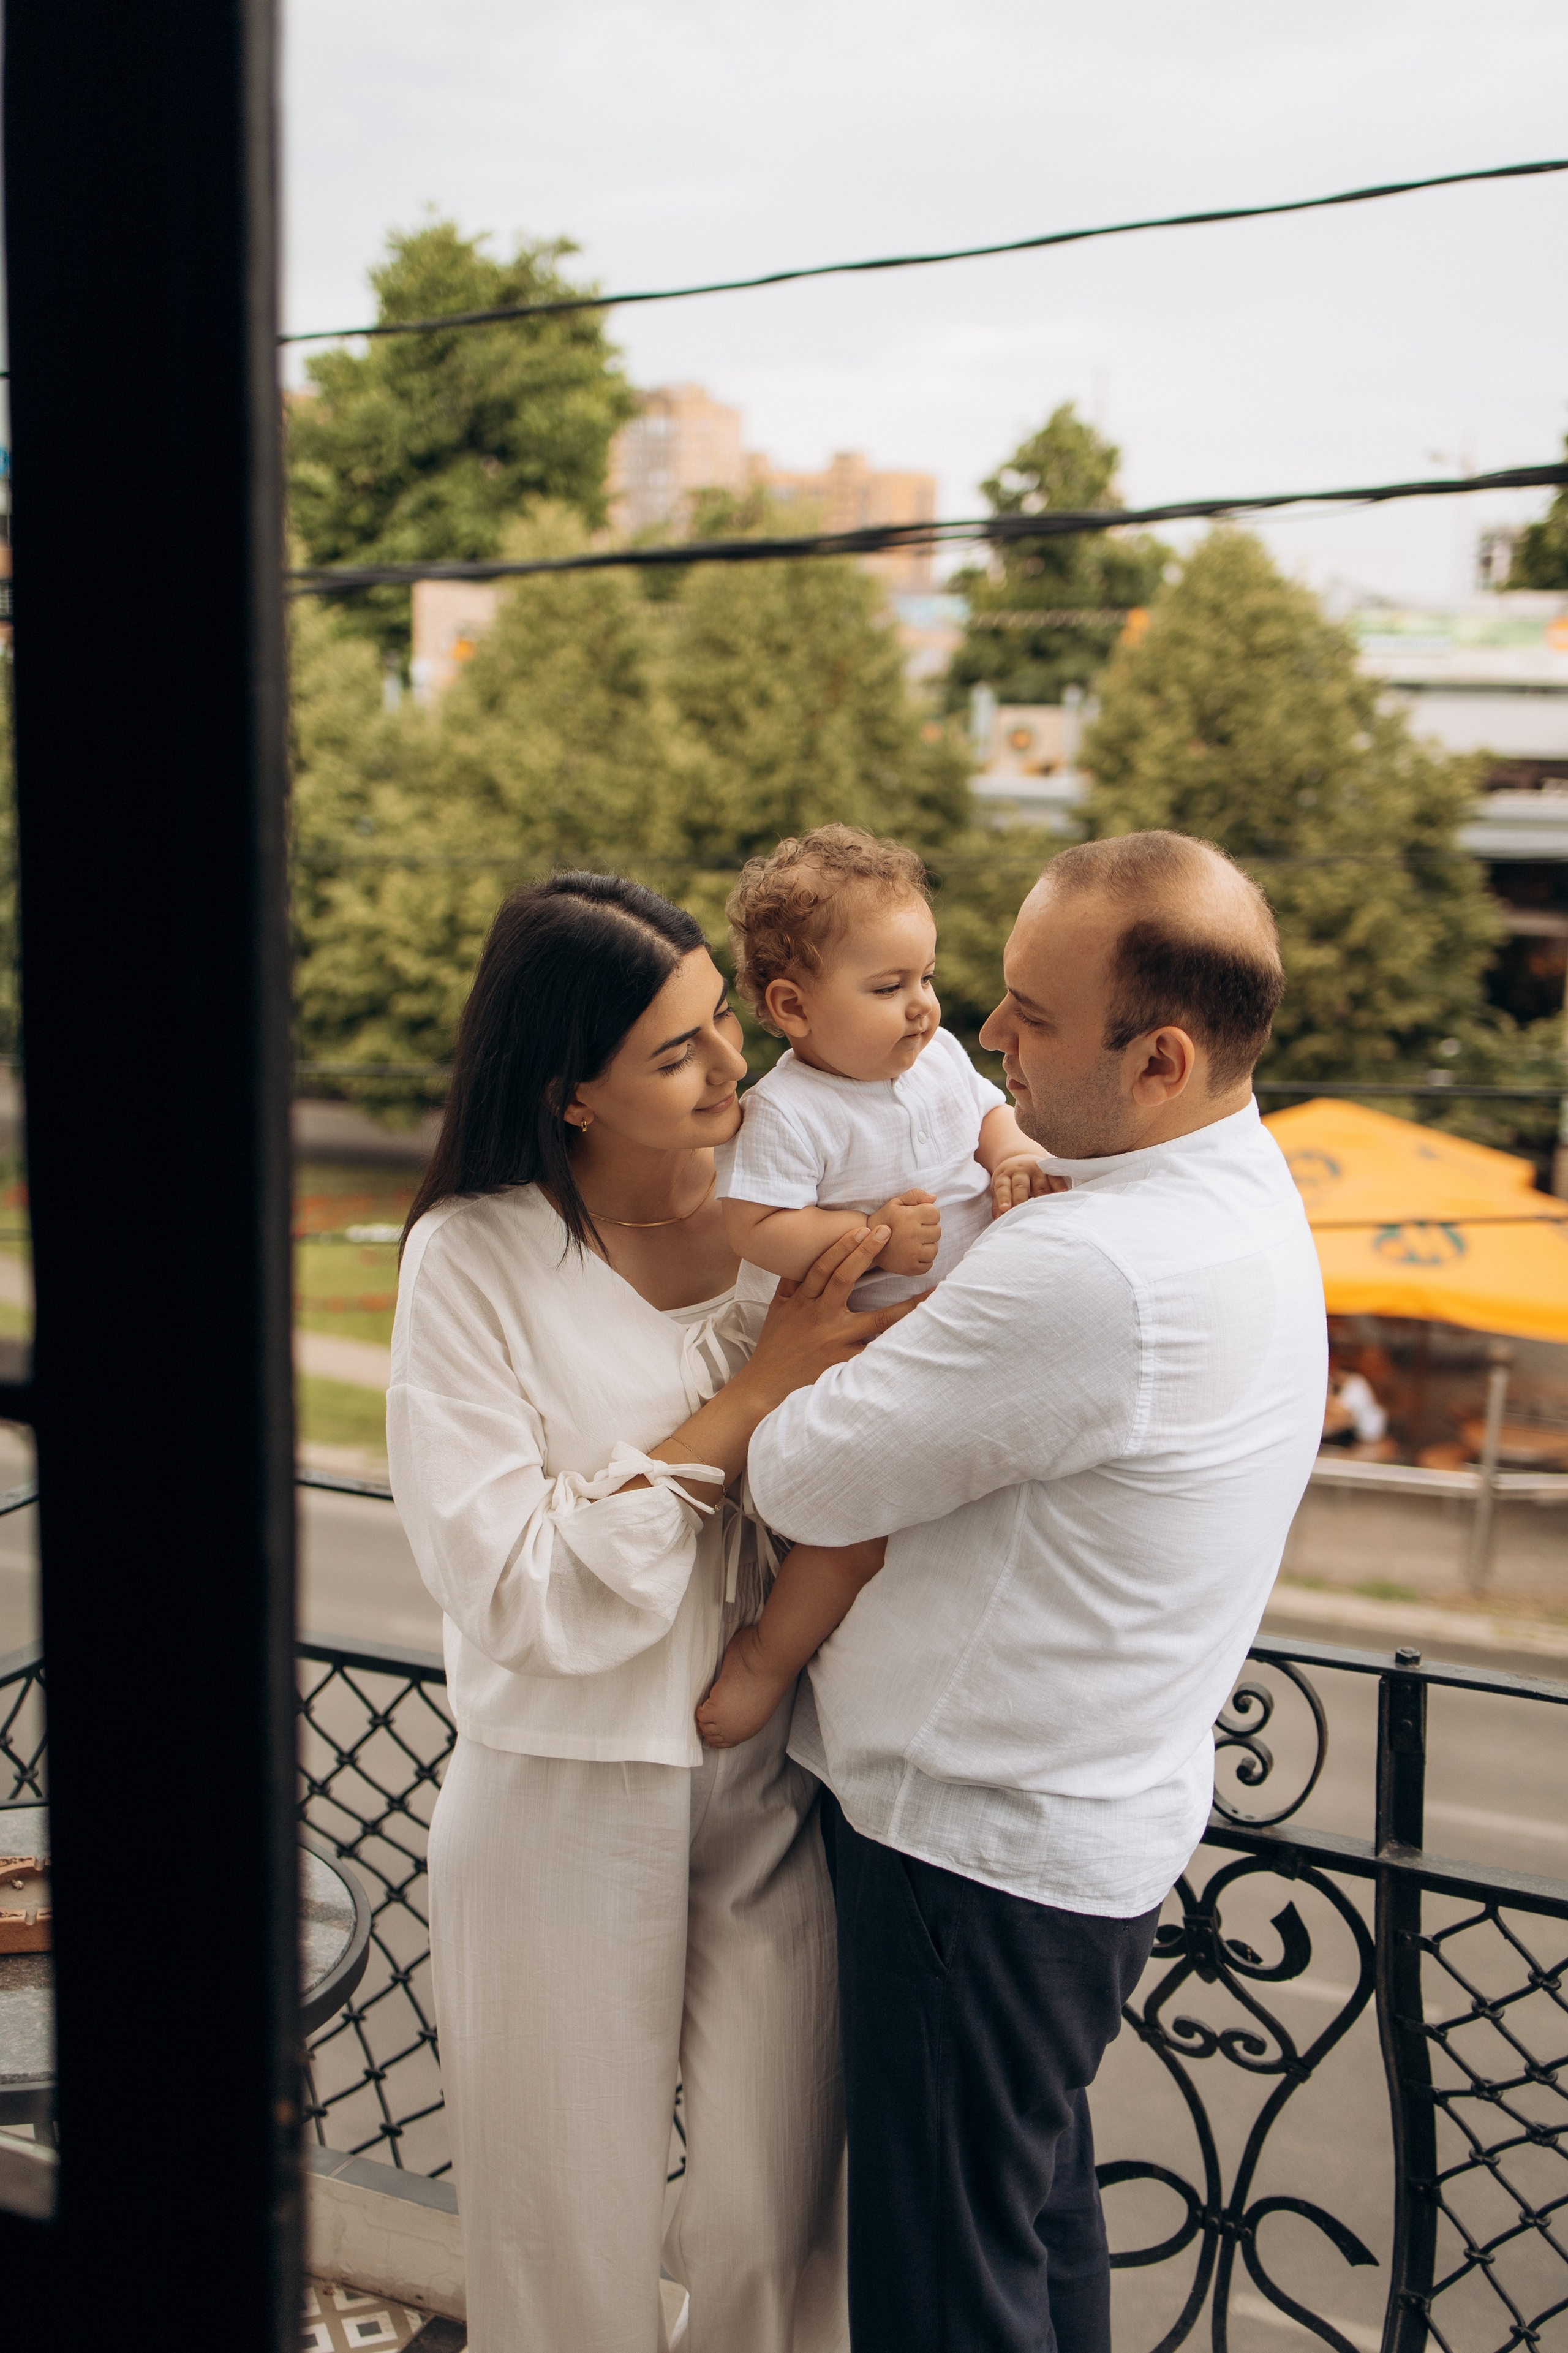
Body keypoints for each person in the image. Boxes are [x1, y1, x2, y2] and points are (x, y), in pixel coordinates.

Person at [744, 831, 1328, 2353]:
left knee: (947, 2295)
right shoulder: (1234, 1184)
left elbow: (797, 1478)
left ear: (1160, 1060)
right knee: (1028, 2233)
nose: (985, 1030)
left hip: (970, 1856)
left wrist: (813, 1357)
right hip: (1079, 1833)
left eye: (1034, 1013)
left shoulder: (1091, 1268)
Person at [387, 872, 913, 2353]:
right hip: (556, 1793)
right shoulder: (471, 1258)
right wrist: (750, 1397)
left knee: (775, 2216)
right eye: (676, 1051)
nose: (731, 1064)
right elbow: (512, 1585)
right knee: (563, 2238)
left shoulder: (782, 1220)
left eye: (722, 1021)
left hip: (774, 1782)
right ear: (570, 1091)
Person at [696, 825, 1054, 1748]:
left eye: (926, 978)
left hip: (959, 1329)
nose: (923, 1007)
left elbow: (988, 1113)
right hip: (863, 1352)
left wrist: (1012, 1152)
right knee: (855, 1533)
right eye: (889, 988)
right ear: (794, 1006)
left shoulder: (936, 1058)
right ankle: (768, 1657)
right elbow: (756, 1227)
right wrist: (872, 1239)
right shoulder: (789, 1111)